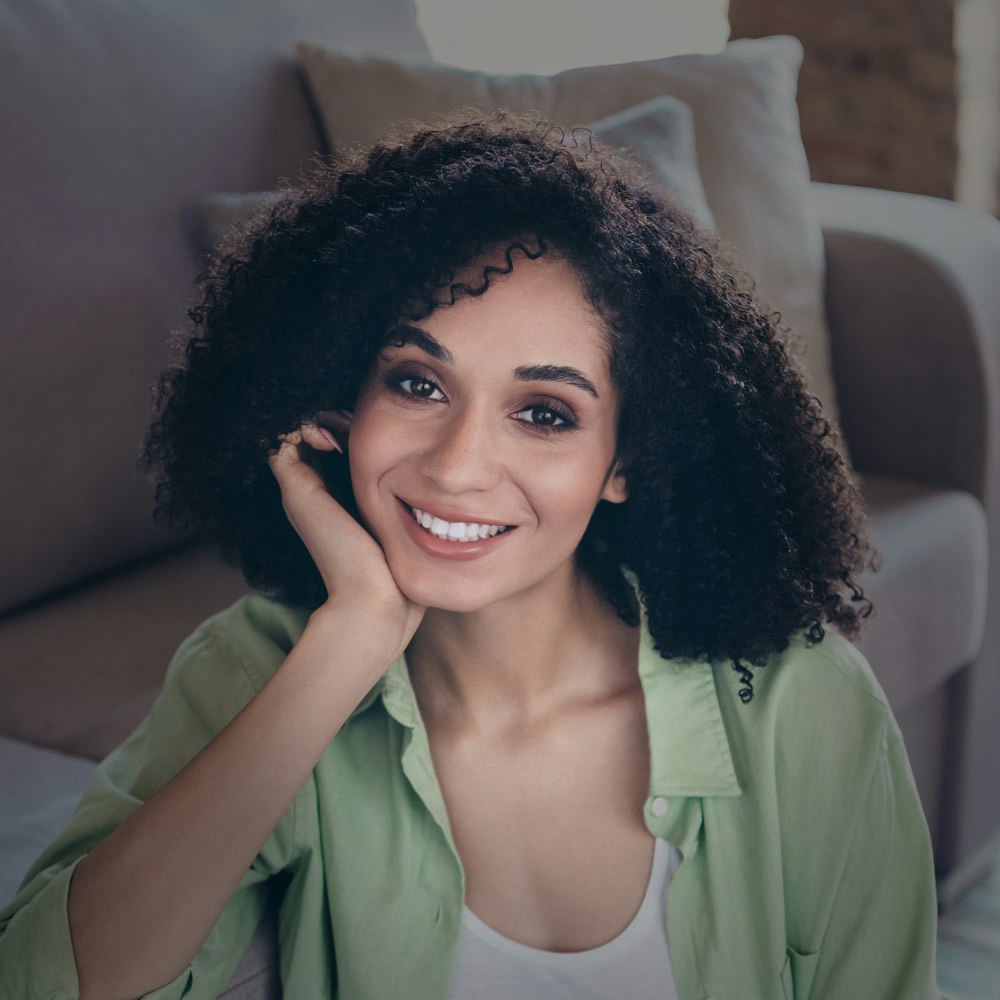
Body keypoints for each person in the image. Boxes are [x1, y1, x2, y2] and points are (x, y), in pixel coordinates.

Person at [0, 107, 943, 999]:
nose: (456, 467)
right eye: (416, 382)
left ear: (626, 463)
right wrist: (351, 641)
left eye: (544, 413)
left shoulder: (797, 702)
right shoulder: (262, 666)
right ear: (335, 402)